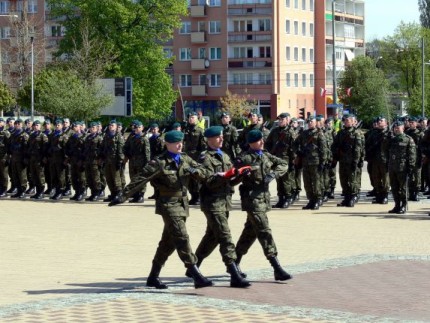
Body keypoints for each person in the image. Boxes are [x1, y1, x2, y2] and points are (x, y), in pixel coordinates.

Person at [109, 130, 213, 289]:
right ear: (167, 144)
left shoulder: (185, 159)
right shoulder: (159, 162)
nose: (180, 145)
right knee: (182, 237)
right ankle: (195, 273)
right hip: (168, 204)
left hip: (182, 204)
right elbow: (140, 179)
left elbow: (205, 174)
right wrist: (122, 196)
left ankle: (153, 277)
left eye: (181, 142)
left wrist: (196, 171)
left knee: (168, 243)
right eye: (176, 143)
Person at [189, 126, 251, 288]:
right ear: (209, 140)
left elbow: (230, 182)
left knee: (212, 236)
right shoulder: (205, 158)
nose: (222, 139)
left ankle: (194, 265)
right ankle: (233, 272)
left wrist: (239, 176)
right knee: (225, 236)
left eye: (222, 136)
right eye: (218, 137)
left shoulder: (225, 156)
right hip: (212, 203)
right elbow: (208, 182)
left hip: (225, 202)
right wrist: (225, 177)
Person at [234, 129, 292, 282]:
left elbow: (284, 164)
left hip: (263, 199)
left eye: (262, 140)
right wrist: (241, 175)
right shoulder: (244, 158)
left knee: (250, 233)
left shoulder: (265, 155)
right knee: (264, 231)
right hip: (252, 200)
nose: (262, 142)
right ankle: (276, 267)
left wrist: (274, 174)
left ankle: (234, 262)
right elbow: (233, 177)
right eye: (259, 140)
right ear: (251, 143)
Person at [294, 116, 327, 210]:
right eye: (308, 122)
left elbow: (323, 149)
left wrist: (322, 162)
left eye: (311, 121)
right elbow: (295, 144)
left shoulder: (319, 134)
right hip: (305, 161)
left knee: (316, 182)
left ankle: (317, 200)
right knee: (307, 183)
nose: (309, 123)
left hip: (316, 162)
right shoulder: (304, 134)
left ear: (316, 123)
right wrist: (298, 151)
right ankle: (311, 200)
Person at [264, 112, 296, 208]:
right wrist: (269, 153)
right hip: (276, 159)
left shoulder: (291, 132)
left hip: (286, 159)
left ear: (287, 120)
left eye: (282, 119)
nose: (280, 121)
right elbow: (268, 143)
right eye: (279, 120)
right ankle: (280, 199)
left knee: (286, 180)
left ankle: (287, 198)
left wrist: (293, 161)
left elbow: (294, 148)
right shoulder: (274, 131)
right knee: (279, 180)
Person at [332, 114, 363, 207]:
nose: (346, 122)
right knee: (343, 179)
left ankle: (353, 197)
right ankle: (346, 197)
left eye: (348, 120)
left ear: (353, 122)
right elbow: (335, 145)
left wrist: (356, 161)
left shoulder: (357, 133)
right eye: (345, 120)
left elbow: (358, 149)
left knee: (352, 180)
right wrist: (335, 156)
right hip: (343, 160)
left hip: (352, 160)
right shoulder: (341, 133)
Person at [386, 121, 416, 214]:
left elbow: (412, 155)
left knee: (403, 188)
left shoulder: (408, 139)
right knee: (394, 187)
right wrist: (387, 138)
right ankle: (397, 205)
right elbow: (385, 150)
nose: (396, 129)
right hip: (392, 167)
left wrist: (410, 167)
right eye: (395, 128)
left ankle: (403, 205)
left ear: (402, 128)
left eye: (398, 128)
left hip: (402, 167)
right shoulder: (392, 139)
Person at [123, 120, 150, 203]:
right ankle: (135, 194)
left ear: (142, 128)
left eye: (139, 127)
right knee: (133, 178)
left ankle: (141, 195)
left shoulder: (144, 138)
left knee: (141, 179)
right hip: (132, 161)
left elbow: (147, 152)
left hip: (141, 162)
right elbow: (126, 147)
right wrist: (127, 154)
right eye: (136, 127)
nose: (137, 129)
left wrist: (147, 163)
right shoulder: (132, 137)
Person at [183, 111, 206, 205]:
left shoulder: (200, 130)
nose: (191, 118)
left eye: (193, 117)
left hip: (196, 157)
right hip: (187, 156)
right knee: (188, 177)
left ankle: (198, 196)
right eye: (189, 117)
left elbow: (204, 146)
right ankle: (193, 196)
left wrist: (201, 157)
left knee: (196, 178)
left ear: (197, 118)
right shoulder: (186, 129)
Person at [100, 120, 125, 202]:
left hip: (115, 160)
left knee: (116, 178)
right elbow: (103, 147)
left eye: (112, 125)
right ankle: (113, 193)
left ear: (116, 126)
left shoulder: (119, 136)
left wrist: (120, 161)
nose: (111, 126)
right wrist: (102, 158)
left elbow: (120, 150)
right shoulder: (107, 136)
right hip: (107, 160)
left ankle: (119, 194)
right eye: (110, 125)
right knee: (108, 178)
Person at [27, 120, 49, 199]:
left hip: (39, 159)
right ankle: (37, 191)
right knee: (34, 175)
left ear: (40, 126)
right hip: (32, 158)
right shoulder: (32, 135)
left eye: (37, 125)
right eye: (34, 125)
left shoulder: (43, 135)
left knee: (40, 176)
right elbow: (29, 146)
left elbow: (45, 147)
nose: (35, 127)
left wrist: (44, 157)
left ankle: (41, 192)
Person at [65, 121, 87, 201]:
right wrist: (68, 156)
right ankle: (77, 192)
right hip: (73, 160)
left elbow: (85, 149)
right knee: (74, 177)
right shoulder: (72, 137)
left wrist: (82, 160)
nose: (74, 127)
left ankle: (81, 192)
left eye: (76, 126)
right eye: (73, 126)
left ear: (80, 127)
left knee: (81, 177)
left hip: (80, 160)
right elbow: (67, 147)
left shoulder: (84, 137)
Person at [48, 119, 68, 200]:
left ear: (62, 126)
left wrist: (66, 159)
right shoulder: (52, 135)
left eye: (59, 124)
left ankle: (60, 192)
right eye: (56, 124)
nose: (57, 126)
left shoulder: (64, 136)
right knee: (54, 176)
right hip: (53, 159)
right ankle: (56, 191)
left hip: (60, 159)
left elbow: (66, 148)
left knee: (61, 177)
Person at [8, 119, 29, 198]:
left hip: (21, 158)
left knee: (22, 175)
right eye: (16, 124)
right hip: (14, 158)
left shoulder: (24, 135)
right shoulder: (13, 134)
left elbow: (26, 148)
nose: (17, 125)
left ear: (21, 124)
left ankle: (23, 191)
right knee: (15, 175)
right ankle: (18, 190)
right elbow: (10, 145)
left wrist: (25, 158)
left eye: (18, 124)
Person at [83, 122, 103, 201]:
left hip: (95, 161)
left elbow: (102, 149)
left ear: (97, 128)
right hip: (88, 160)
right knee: (89, 177)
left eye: (93, 127)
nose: (92, 129)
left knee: (96, 178)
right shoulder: (88, 138)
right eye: (91, 128)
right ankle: (92, 193)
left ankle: (97, 193)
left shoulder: (99, 138)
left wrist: (100, 159)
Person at [0, 118, 11, 197]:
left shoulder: (6, 133)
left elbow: (9, 145)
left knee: (4, 174)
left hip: (3, 157)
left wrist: (8, 157)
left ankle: (4, 190)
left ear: (3, 123)